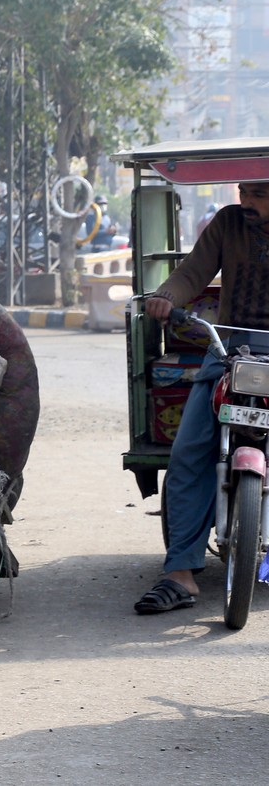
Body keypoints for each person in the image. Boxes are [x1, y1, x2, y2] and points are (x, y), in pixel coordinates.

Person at [134, 181, 269, 614]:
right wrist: (166, 296)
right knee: (189, 451)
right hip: (228, 350)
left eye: (259, 195)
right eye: (245, 192)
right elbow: (193, 271)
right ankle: (180, 574)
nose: (247, 202)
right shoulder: (228, 222)